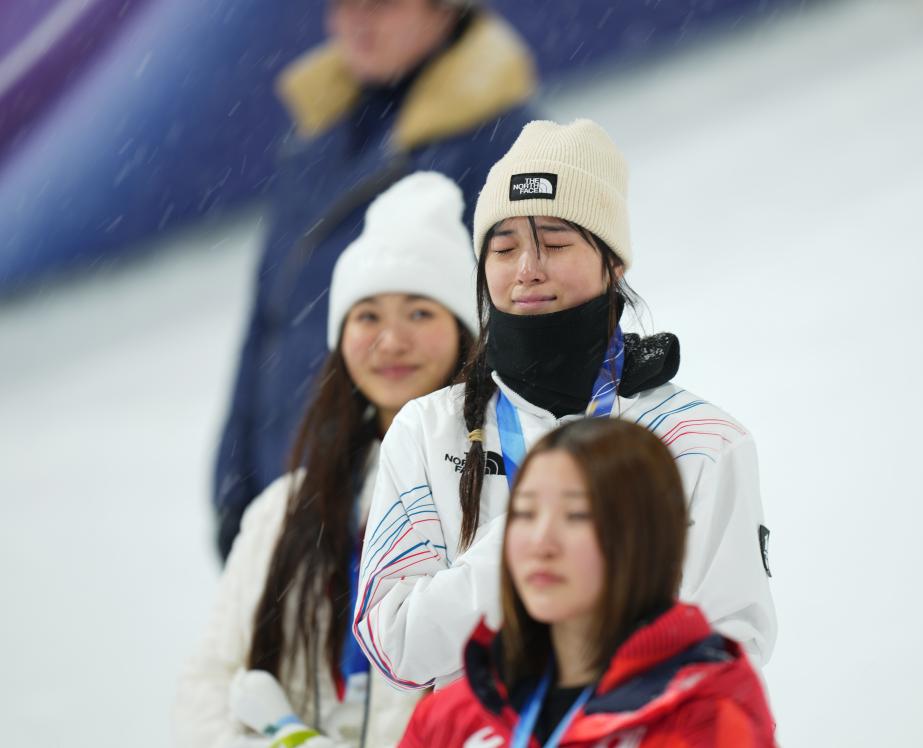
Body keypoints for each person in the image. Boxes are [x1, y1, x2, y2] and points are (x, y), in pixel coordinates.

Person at [354, 119, 777, 695]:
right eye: (504, 248)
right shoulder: (429, 431)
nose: (527, 268)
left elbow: (730, 656)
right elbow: (397, 648)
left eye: (554, 244)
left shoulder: (699, 440)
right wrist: (534, 536)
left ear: (614, 262)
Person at [213, 0, 540, 559]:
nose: (357, 19)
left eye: (382, 3)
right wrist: (235, 485)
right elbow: (269, 322)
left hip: (409, 517)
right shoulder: (315, 134)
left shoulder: (500, 145)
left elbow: (522, 346)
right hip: (292, 499)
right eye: (342, 3)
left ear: (444, 9)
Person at [174, 173, 478, 748]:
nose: (391, 341)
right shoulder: (283, 510)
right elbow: (207, 685)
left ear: (465, 333)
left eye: (419, 313)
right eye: (368, 316)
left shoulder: (492, 497)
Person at [398, 418, 777, 747]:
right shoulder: (455, 713)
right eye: (525, 513)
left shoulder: (709, 710)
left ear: (645, 535)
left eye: (576, 515)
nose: (541, 541)